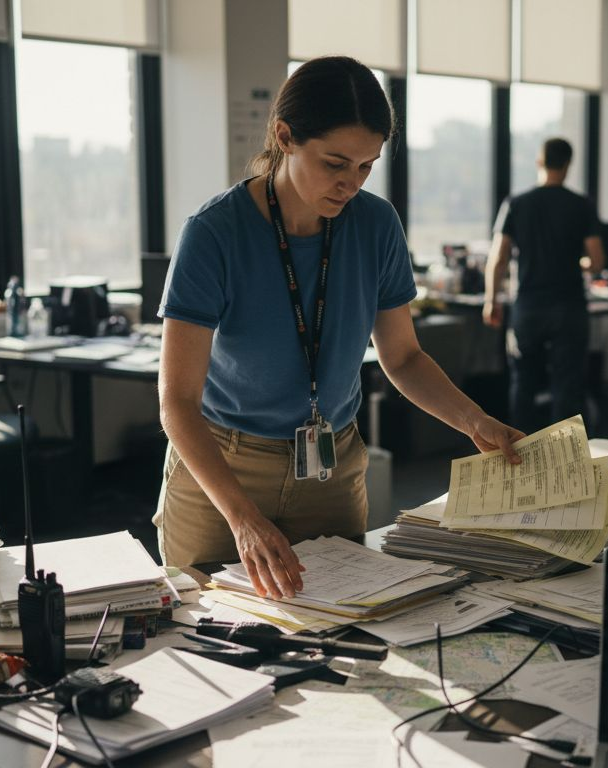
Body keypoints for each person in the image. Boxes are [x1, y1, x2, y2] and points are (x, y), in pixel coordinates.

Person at [155, 56, 524, 599]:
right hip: (224, 469)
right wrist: (243, 519)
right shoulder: (215, 233)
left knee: (344, 639)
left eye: (365, 167)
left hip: (328, 469)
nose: (350, 184)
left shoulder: (376, 225)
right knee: (213, 641)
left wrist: (475, 421)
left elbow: (402, 358)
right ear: (285, 137)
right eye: (334, 163)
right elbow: (177, 402)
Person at [483, 138, 604, 433]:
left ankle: (520, 456)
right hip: (569, 307)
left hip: (528, 307)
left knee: (523, 383)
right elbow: (597, 262)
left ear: (540, 161)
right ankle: (564, 462)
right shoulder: (581, 205)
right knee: (567, 385)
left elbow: (498, 258)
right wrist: (579, 263)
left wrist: (491, 301)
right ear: (568, 165)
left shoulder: (516, 203)